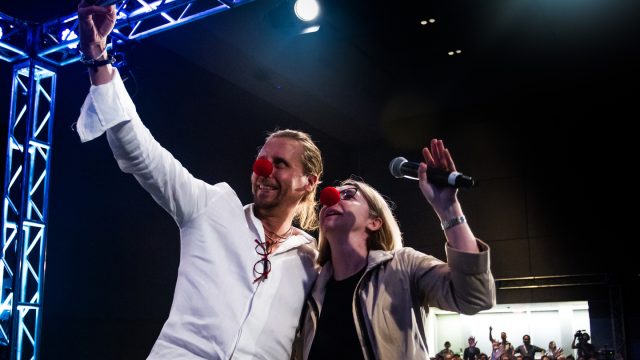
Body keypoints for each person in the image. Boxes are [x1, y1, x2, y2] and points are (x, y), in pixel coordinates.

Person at [76, 2, 324, 358]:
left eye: (280, 163)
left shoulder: (312, 261)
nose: (264, 170)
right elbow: (141, 154)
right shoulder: (212, 207)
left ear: (308, 183)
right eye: (261, 161)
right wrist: (98, 57)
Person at [292, 139, 496, 359]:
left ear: (375, 222)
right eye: (329, 197)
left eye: (349, 195)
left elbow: (475, 297)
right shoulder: (311, 284)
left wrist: (448, 208)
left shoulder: (404, 266)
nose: (331, 200)